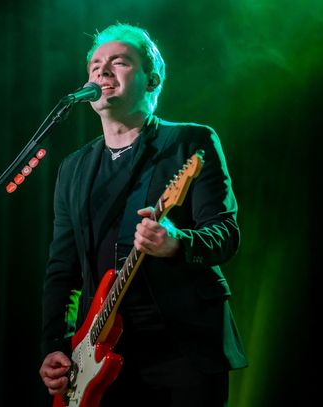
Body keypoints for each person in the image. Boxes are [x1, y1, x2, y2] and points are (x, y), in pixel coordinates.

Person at [39, 23, 247, 406]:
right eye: (95, 65)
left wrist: (177, 243)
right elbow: (62, 268)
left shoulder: (189, 141)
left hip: (182, 346)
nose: (102, 70)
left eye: (119, 62)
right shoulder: (73, 168)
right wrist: (56, 344)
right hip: (98, 351)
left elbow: (225, 233)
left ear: (152, 80)